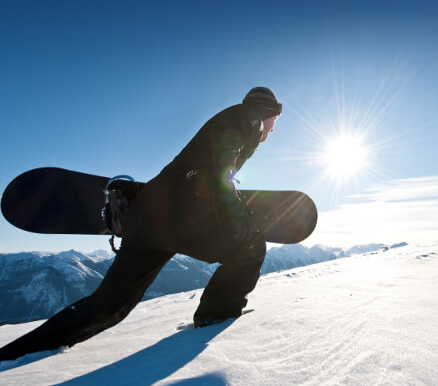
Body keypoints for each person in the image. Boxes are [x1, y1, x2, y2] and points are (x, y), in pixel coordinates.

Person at [0, 87, 282, 362]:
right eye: (276, 121)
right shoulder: (247, 119)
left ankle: (14, 354)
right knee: (251, 247)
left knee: (109, 306)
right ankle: (215, 316)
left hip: (146, 218)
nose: (274, 128)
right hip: (178, 220)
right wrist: (238, 216)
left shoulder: (236, 121)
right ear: (267, 112)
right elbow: (221, 172)